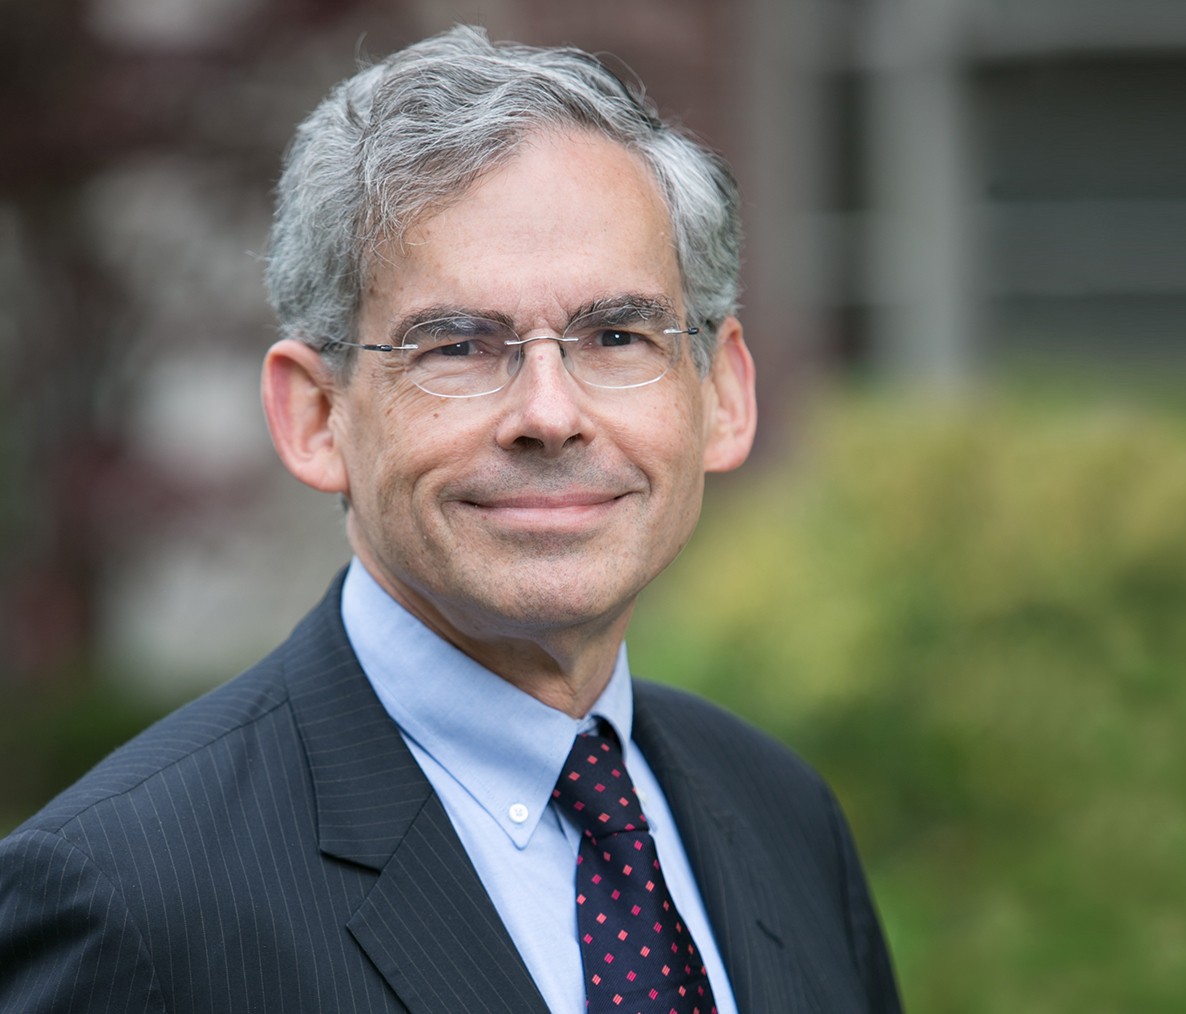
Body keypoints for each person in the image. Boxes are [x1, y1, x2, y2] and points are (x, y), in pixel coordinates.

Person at [0, 26, 901, 1014]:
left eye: (616, 335)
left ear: (721, 395)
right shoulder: (125, 901)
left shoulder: (783, 819)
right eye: (458, 347)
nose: (550, 416)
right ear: (315, 416)